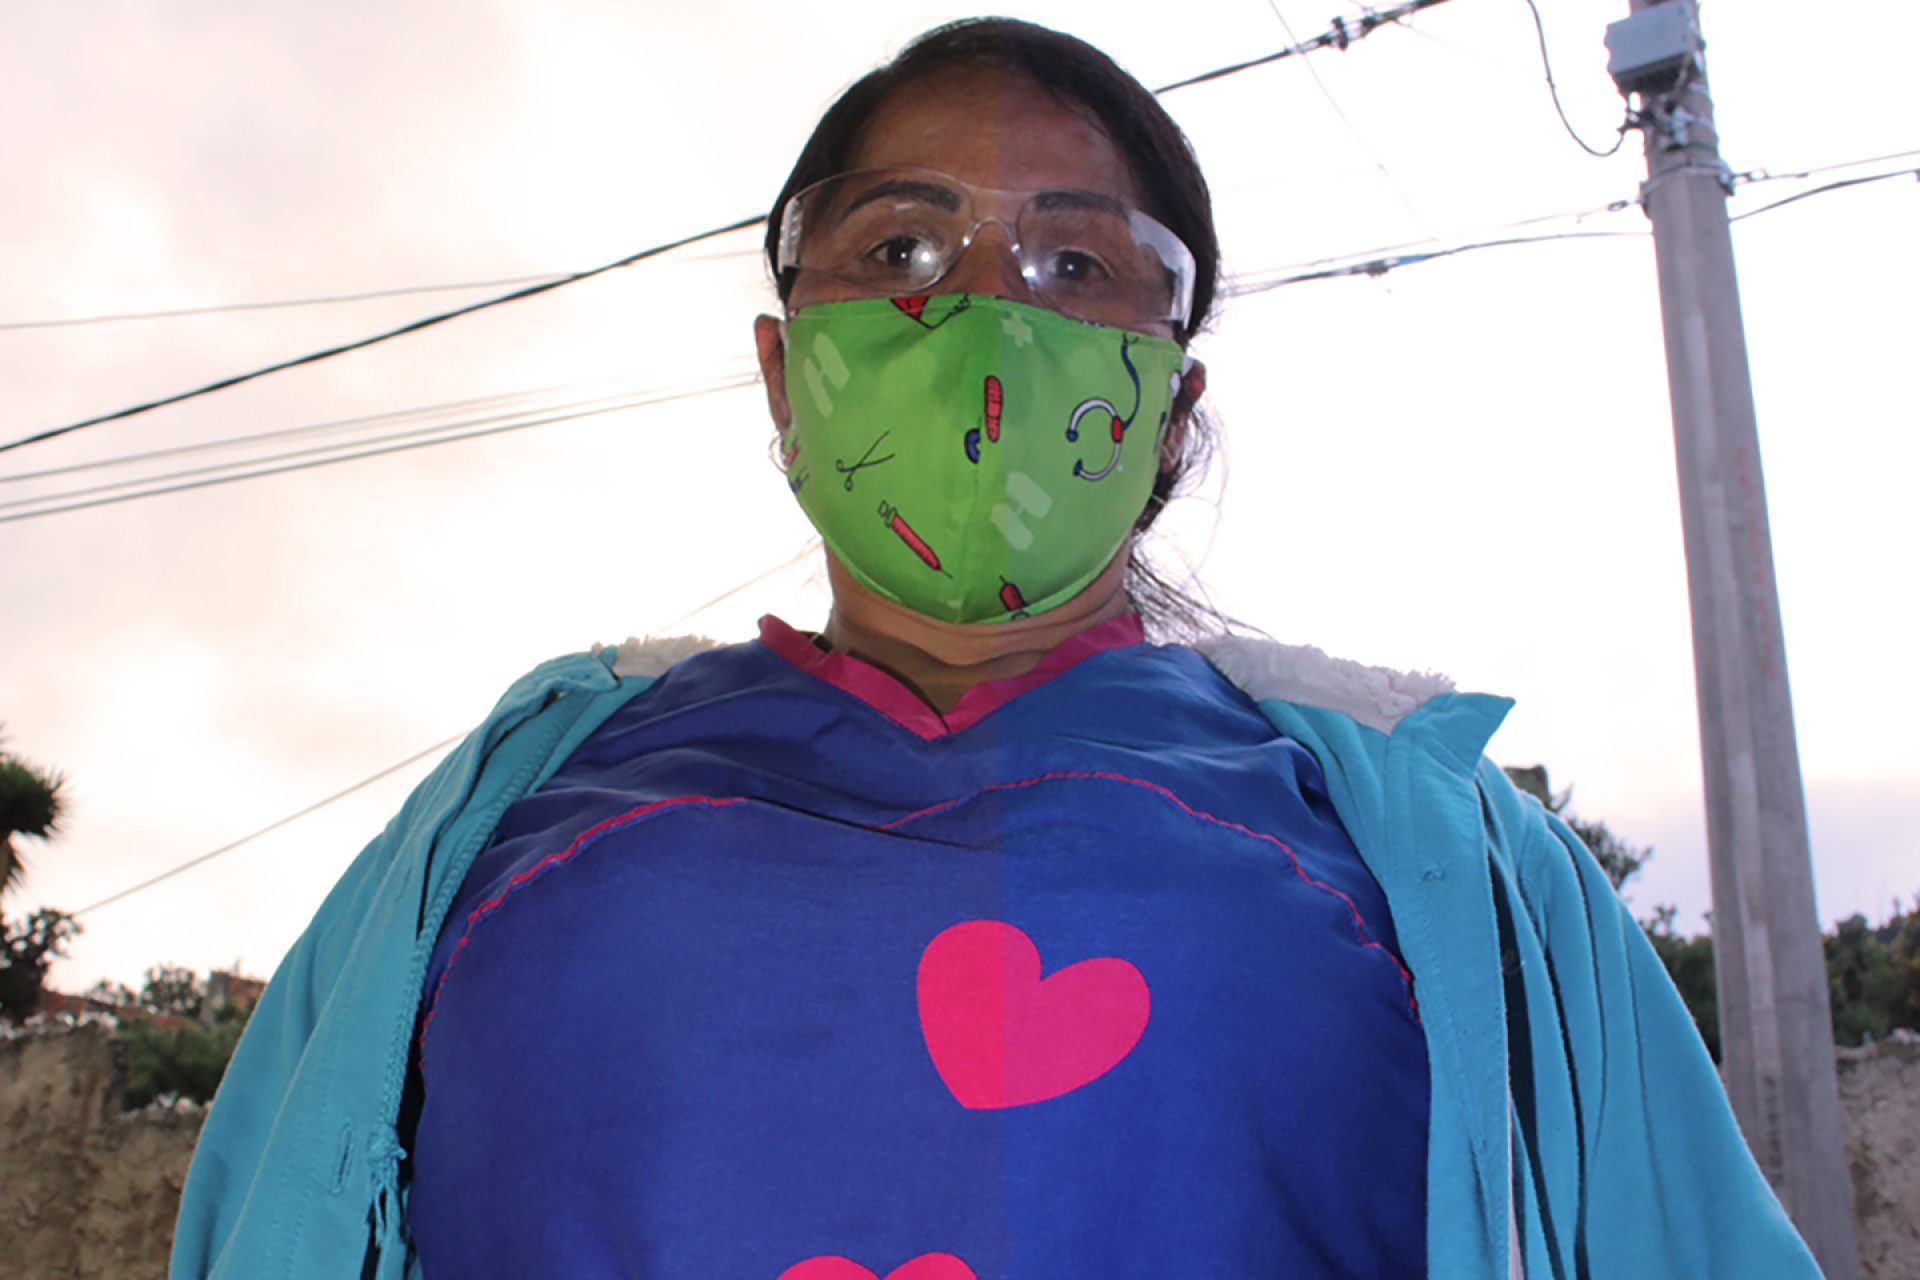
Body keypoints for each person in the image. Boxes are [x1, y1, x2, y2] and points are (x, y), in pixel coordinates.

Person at [170, 18, 1822, 1280]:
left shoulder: (1442, 851)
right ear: (783, 369)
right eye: (898, 249)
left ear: (1170, 400)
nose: (978, 313)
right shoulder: (510, 802)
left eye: (1076, 262)